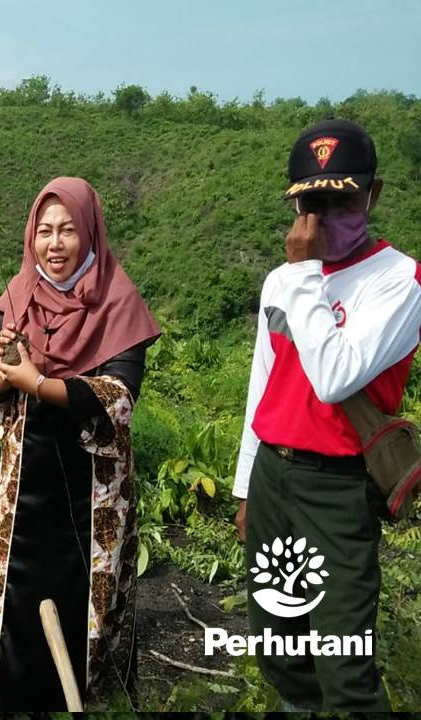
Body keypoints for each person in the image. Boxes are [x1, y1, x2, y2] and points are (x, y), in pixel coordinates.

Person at [233, 118, 421, 711]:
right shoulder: (280, 281)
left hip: (337, 488)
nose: (326, 216)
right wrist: (246, 487)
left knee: (344, 663)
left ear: (373, 195)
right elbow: (262, 385)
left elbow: (337, 374)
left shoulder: (399, 282)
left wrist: (306, 274)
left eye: (343, 200)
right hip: (274, 476)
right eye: (313, 201)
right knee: (279, 644)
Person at [0, 177, 160, 711]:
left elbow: (119, 396)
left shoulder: (117, 300)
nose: (55, 244)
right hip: (23, 479)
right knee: (7, 596)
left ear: (90, 232)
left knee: (86, 595)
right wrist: (2, 373)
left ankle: (82, 696)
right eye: (45, 231)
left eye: (68, 230)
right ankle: (2, 698)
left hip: (92, 491)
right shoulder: (19, 295)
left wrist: (40, 385)